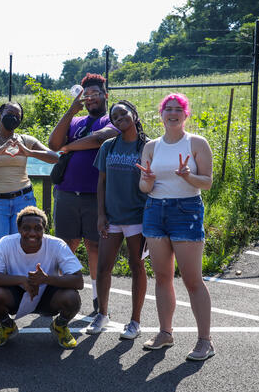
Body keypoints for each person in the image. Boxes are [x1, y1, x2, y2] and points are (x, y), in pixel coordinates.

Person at [0, 102, 59, 326]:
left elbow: (54, 156)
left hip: (23, 201)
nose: (13, 118)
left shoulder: (25, 139)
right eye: (9, 114)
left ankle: (31, 300)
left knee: (25, 249)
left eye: (17, 115)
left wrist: (28, 152)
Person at [136, 93, 214, 361]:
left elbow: (207, 182)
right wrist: (147, 180)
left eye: (177, 109)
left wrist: (188, 176)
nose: (172, 113)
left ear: (185, 114)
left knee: (192, 280)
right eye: (167, 109)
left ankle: (205, 340)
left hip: (187, 210)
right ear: (161, 114)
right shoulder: (151, 147)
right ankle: (165, 333)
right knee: (162, 277)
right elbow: (144, 188)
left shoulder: (196, 143)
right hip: (155, 210)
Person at [48, 73, 119, 313]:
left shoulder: (113, 118)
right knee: (65, 245)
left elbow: (100, 139)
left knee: (94, 246)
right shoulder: (75, 121)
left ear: (105, 95)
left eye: (95, 94)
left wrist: (69, 147)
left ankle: (99, 299)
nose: (90, 99)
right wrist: (70, 111)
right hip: (66, 193)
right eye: (86, 95)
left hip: (96, 196)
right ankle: (58, 294)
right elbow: (53, 144)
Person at [87, 100, 148, 338]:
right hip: (112, 217)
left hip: (137, 217)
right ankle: (102, 314)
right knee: (103, 267)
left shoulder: (147, 146)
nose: (120, 117)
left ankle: (135, 321)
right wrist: (101, 214)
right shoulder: (108, 147)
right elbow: (101, 182)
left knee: (137, 266)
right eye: (115, 116)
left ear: (134, 114)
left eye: (124, 113)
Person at [0, 206, 83, 348]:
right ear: (18, 229)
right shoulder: (6, 243)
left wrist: (46, 279)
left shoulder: (57, 244)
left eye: (38, 228)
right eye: (26, 228)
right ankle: (7, 327)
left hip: (48, 295)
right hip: (15, 294)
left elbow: (78, 281)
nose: (32, 233)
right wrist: (23, 280)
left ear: (44, 230)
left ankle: (60, 326)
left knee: (72, 298)